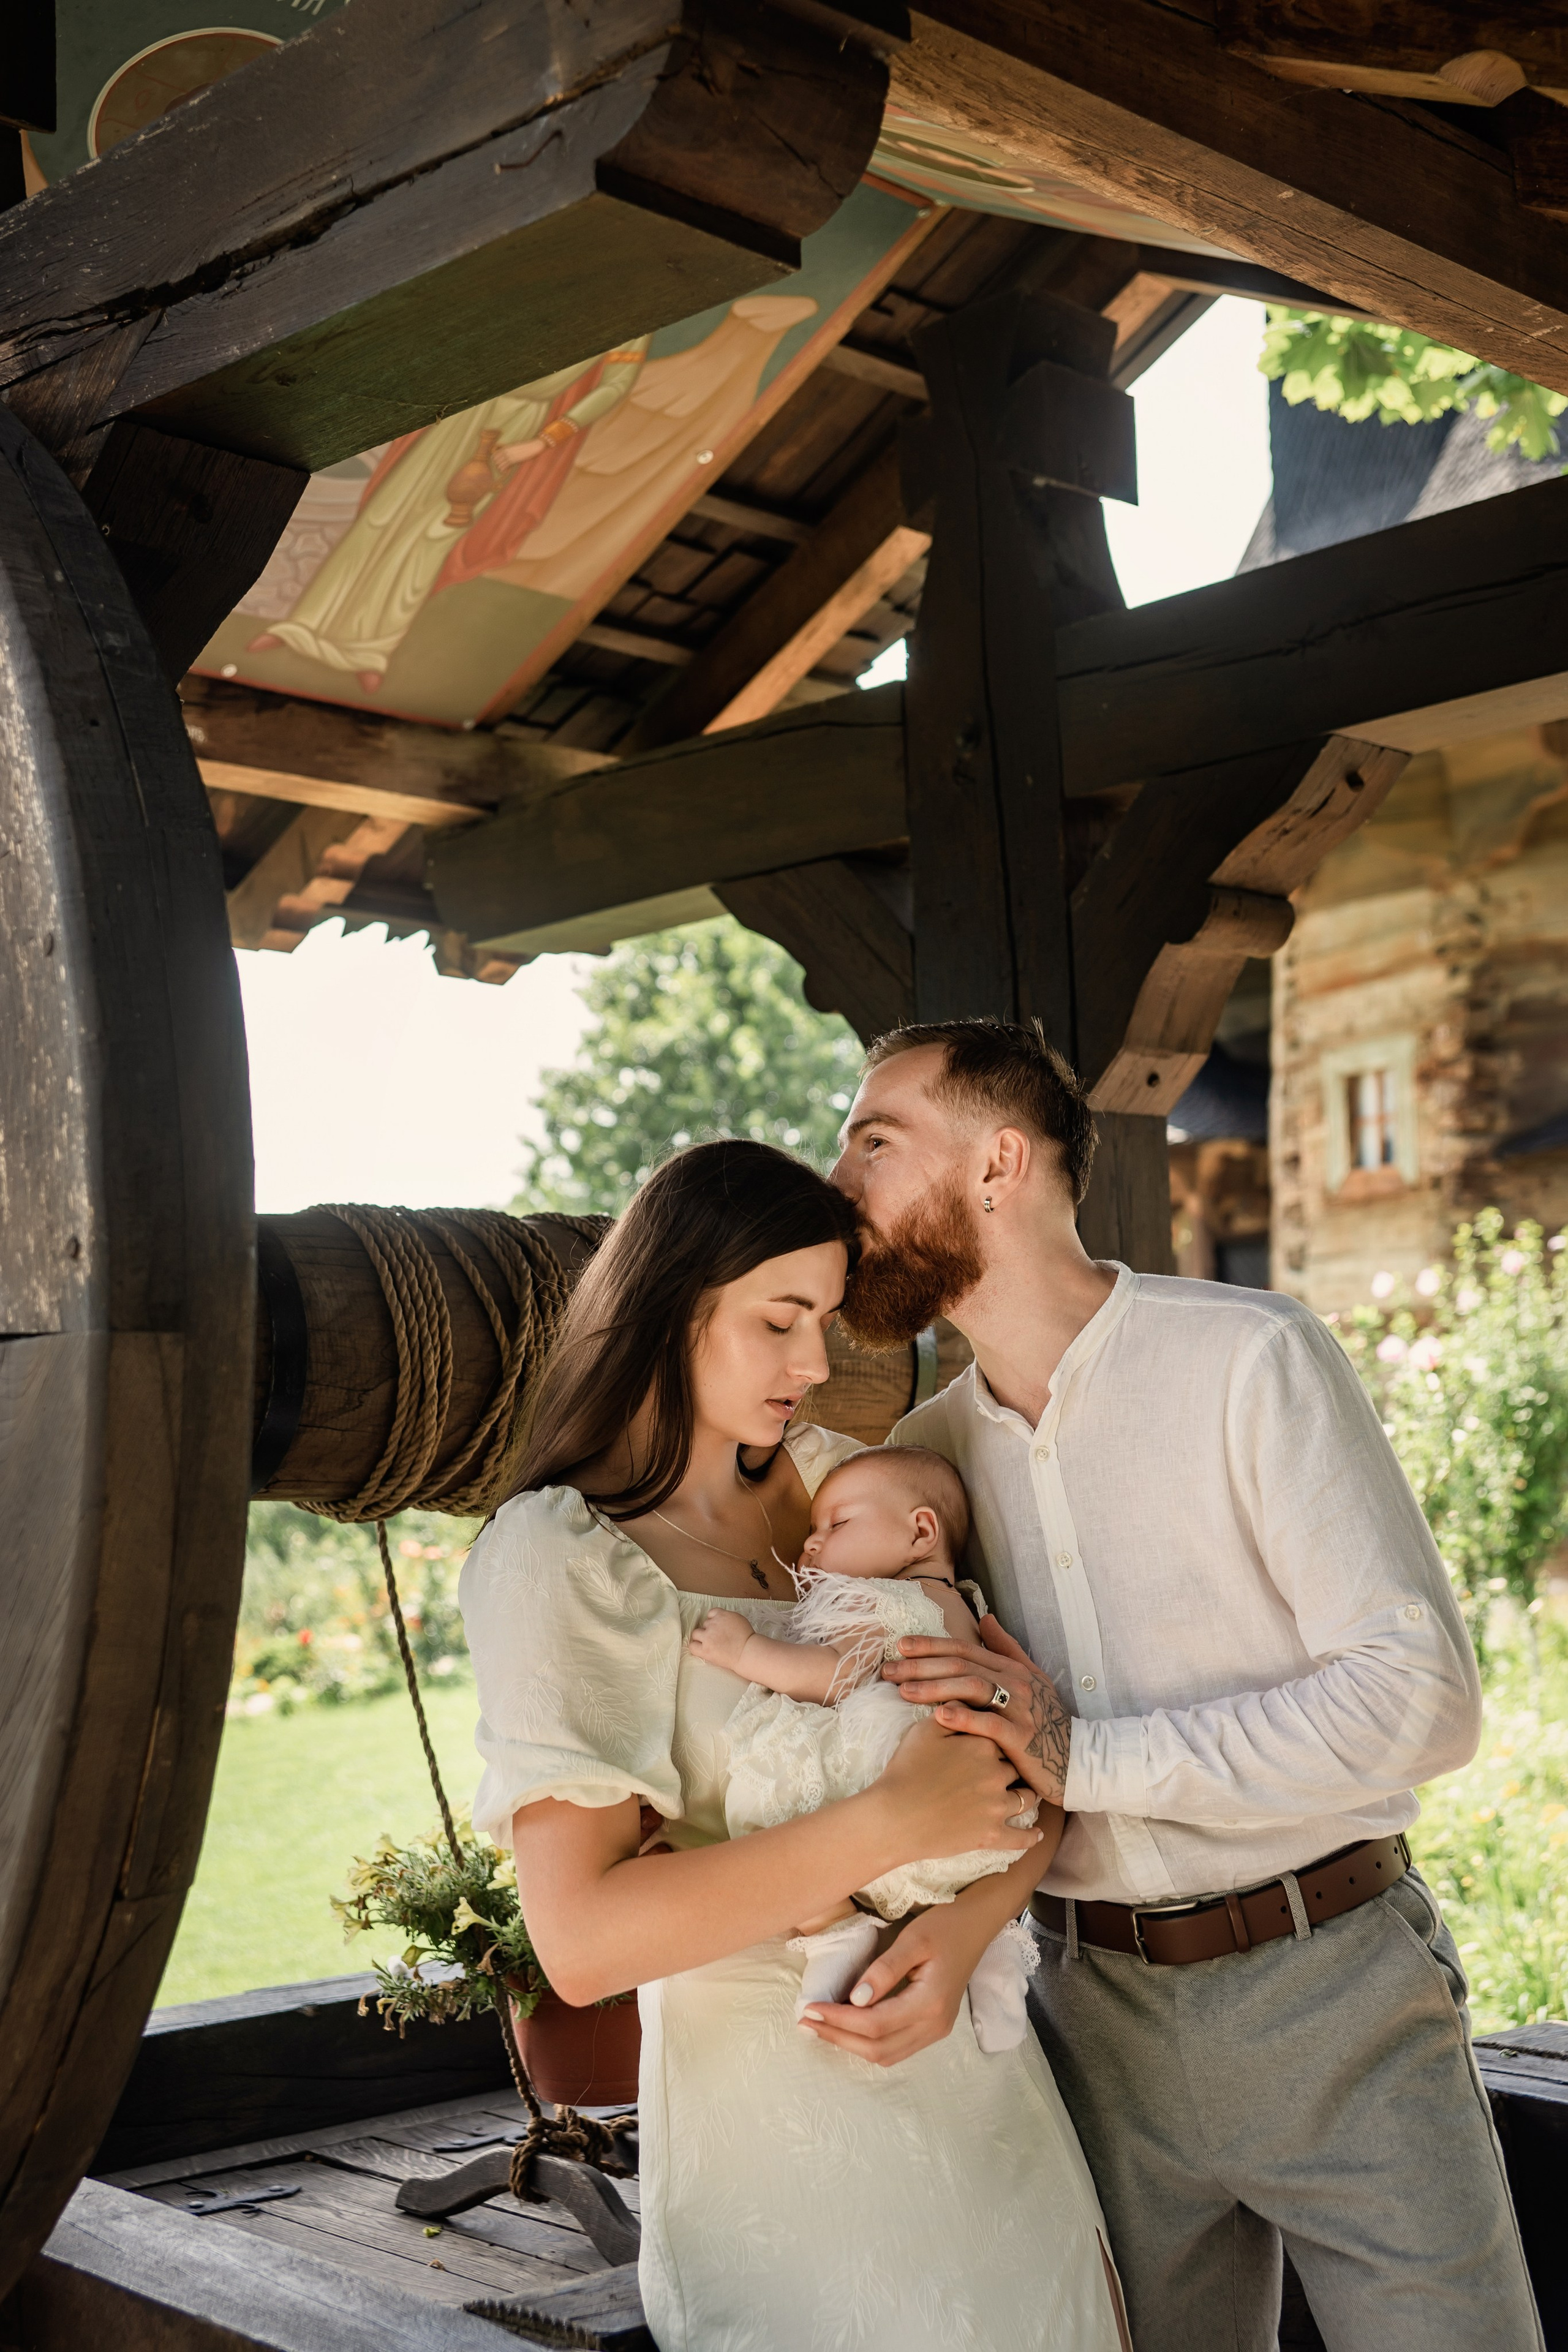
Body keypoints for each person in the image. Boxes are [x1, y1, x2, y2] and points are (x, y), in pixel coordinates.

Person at [820, 1016, 1542, 2352]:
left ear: (997, 1164)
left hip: (1333, 1995)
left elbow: (1418, 1699)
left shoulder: (1248, 1360)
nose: (839, 1180)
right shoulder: (920, 1468)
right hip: (1083, 2024)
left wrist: (1088, 1757)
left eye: (872, 1140)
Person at [459, 1138, 1133, 2352]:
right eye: (779, 1321)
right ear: (670, 1308)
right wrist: (889, 1826)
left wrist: (968, 1921)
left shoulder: (842, 1493)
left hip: (982, 2090)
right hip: (784, 2143)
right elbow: (579, 1942)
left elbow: (1022, 1765)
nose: (816, 1364)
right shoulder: (561, 1557)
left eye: (823, 1320)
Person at [692, 1445, 1043, 2046]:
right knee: (970, 1881)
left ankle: (833, 1926)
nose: (811, 1545)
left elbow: (835, 1675)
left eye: (838, 1523)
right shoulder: (966, 1603)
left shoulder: (881, 1598)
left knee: (772, 1786)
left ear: (921, 1531)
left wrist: (745, 1651)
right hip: (987, 1806)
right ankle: (995, 1948)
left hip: (898, 1789)